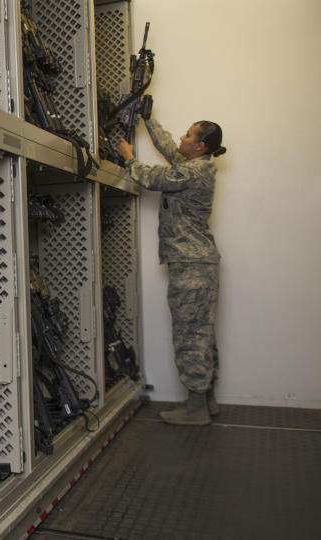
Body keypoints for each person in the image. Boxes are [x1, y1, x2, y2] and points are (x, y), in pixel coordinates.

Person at [115, 117, 226, 426]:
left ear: (200, 145)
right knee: (201, 333)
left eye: (188, 135)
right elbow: (169, 148)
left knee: (190, 334)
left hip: (191, 265)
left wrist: (129, 158)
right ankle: (207, 401)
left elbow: (152, 178)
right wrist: (149, 122)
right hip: (198, 262)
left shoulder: (192, 171)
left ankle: (195, 409)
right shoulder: (197, 165)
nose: (182, 136)